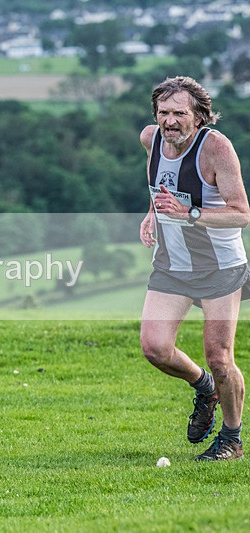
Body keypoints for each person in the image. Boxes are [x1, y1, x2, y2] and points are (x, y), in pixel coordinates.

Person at [139, 76, 250, 461]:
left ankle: (232, 439)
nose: (170, 121)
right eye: (164, 112)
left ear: (199, 116)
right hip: (172, 265)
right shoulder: (150, 139)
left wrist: (190, 213)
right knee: (154, 348)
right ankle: (205, 388)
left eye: (179, 113)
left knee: (220, 356)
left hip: (220, 268)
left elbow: (241, 214)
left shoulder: (216, 148)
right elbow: (159, 184)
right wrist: (152, 213)